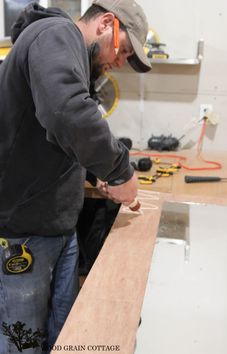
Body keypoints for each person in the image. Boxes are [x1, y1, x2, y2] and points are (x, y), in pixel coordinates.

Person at [0, 0, 151, 353]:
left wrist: (92, 172)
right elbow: (67, 114)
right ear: (106, 24)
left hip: (57, 229)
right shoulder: (56, 34)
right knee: (24, 344)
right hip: (25, 233)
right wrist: (118, 170)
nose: (119, 62)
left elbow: (52, 137)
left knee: (65, 339)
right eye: (123, 50)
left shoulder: (72, 55)